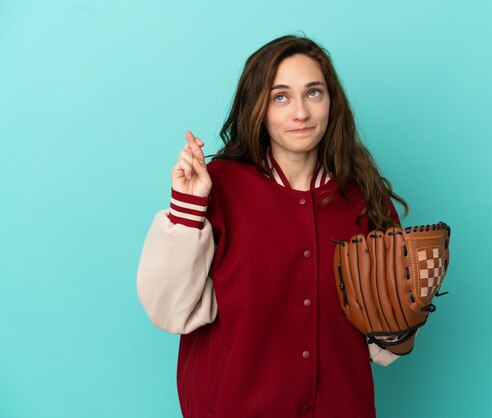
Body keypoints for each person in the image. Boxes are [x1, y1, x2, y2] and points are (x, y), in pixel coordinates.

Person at [137, 34, 409, 418]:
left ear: (332, 102)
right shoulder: (218, 185)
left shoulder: (364, 196)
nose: (301, 112)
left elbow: (388, 346)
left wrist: (404, 318)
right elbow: (169, 312)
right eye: (280, 96)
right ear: (258, 107)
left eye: (314, 93)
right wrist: (188, 206)